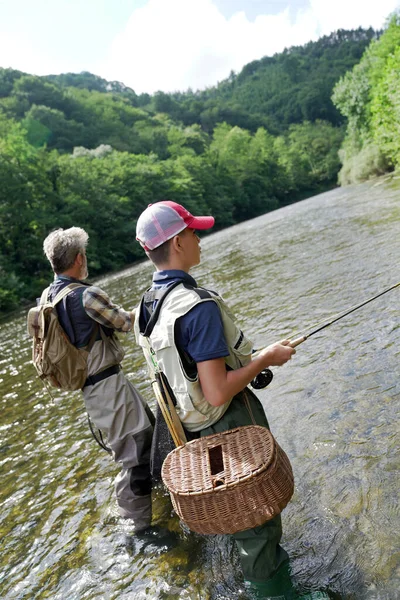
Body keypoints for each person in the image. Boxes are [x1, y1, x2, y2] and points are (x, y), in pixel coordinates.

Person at [133, 201, 331, 600]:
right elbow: (218, 390)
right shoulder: (197, 307)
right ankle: (277, 596)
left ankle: (263, 584)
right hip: (226, 424)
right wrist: (266, 358)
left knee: (240, 518)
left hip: (193, 432)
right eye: (193, 232)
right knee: (257, 520)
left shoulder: (146, 307)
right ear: (176, 242)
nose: (198, 238)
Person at [42, 227, 154, 532]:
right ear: (79, 259)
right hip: (107, 387)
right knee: (134, 458)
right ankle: (136, 528)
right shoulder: (86, 295)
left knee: (148, 435)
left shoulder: (48, 297)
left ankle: (156, 503)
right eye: (85, 254)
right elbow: (126, 323)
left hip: (94, 390)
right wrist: (154, 301)